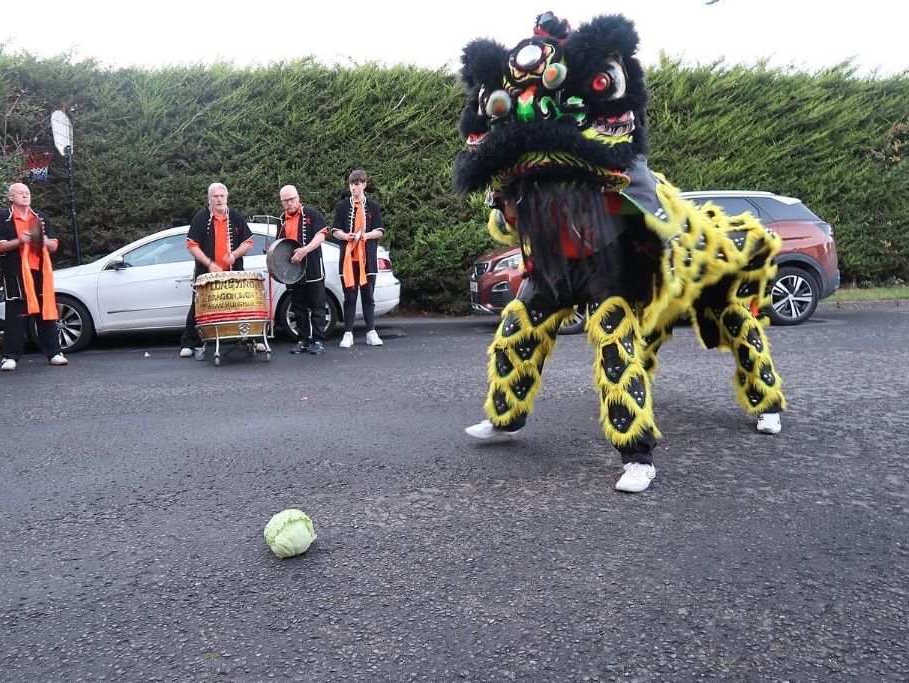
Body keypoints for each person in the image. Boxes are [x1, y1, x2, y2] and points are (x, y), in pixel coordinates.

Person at [455, 12, 785, 493]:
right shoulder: (527, 185)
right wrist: (505, 202)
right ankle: (506, 418)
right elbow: (506, 225)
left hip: (612, 263)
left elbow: (654, 209)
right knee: (514, 329)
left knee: (627, 337)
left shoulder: (625, 178)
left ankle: (644, 455)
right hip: (554, 265)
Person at [0, 182, 68, 371]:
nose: (25, 195)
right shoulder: (3, 218)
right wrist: (19, 241)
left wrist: (45, 241)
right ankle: (10, 356)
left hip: (40, 272)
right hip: (16, 274)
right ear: (11, 197)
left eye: (27, 192)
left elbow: (54, 245)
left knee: (46, 312)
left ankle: (54, 353)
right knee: (16, 314)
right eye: (20, 192)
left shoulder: (39, 217)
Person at [180, 183, 255, 357]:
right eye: (216, 196)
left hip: (233, 271)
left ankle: (250, 339)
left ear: (227, 197)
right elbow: (191, 245)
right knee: (199, 306)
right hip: (206, 273)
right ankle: (189, 343)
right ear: (209, 199)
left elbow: (249, 242)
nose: (219, 199)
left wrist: (235, 254)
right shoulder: (201, 217)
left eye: (222, 196)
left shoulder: (235, 216)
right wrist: (209, 263)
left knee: (241, 305)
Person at [330, 169, 386, 347]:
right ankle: (348, 333)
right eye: (351, 184)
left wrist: (365, 236)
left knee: (368, 296)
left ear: (364, 185)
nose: (353, 188)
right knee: (349, 297)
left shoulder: (373, 206)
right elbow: (335, 230)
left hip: (367, 259)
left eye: (356, 184)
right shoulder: (342, 206)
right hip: (348, 259)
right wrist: (346, 236)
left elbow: (380, 231)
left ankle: (371, 332)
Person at [278, 185, 329, 355]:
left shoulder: (312, 213)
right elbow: (280, 244)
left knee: (317, 306)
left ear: (298, 197)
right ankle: (303, 340)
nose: (290, 203)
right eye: (286, 200)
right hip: (293, 271)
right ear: (282, 202)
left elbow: (321, 235)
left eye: (292, 199)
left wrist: (305, 250)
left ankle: (318, 341)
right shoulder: (281, 219)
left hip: (312, 267)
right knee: (298, 307)